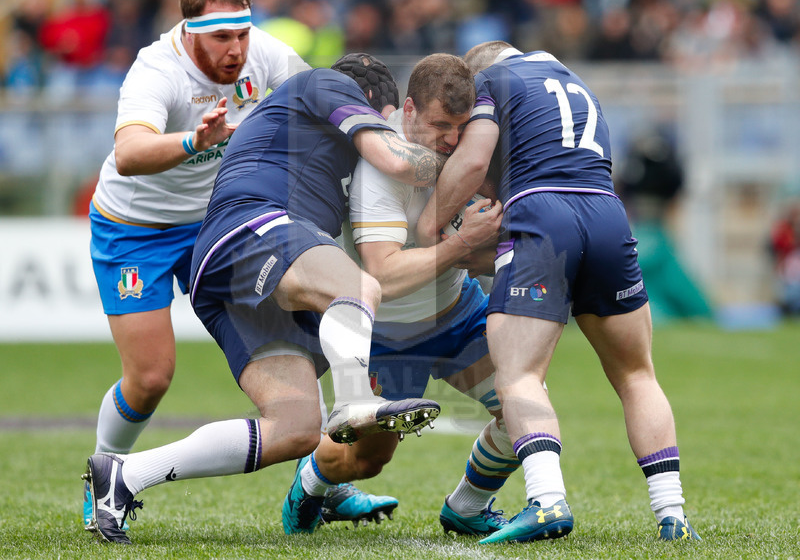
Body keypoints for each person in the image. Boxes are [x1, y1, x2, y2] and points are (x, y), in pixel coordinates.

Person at [83, 53, 444, 545]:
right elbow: (394, 158)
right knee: (357, 287)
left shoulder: (315, 135)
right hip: (252, 227)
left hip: (239, 273)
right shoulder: (325, 83)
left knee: (295, 429)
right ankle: (355, 401)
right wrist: (458, 159)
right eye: (385, 121)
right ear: (372, 106)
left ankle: (123, 475)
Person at [84, 0, 382, 533]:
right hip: (136, 229)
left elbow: (315, 99)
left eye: (242, 33)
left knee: (297, 324)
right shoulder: (155, 70)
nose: (236, 49)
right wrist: (193, 139)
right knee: (150, 378)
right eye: (221, 36)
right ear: (188, 30)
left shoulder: (264, 53)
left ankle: (327, 475)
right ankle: (104, 472)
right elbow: (129, 155)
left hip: (218, 225)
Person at [416, 41, 701, 543]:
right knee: (637, 374)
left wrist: (429, 225)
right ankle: (672, 515)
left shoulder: (491, 83)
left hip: (545, 213)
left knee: (519, 374)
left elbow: (475, 162)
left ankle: (547, 502)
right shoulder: (573, 82)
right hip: (608, 214)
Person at [280, 53, 517, 536]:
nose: (450, 140)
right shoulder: (380, 166)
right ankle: (310, 484)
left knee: (525, 411)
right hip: (389, 332)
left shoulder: (466, 151)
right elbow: (382, 277)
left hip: (456, 312)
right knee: (365, 462)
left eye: (460, 127)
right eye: (439, 125)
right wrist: (464, 242)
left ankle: (467, 507)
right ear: (407, 110)